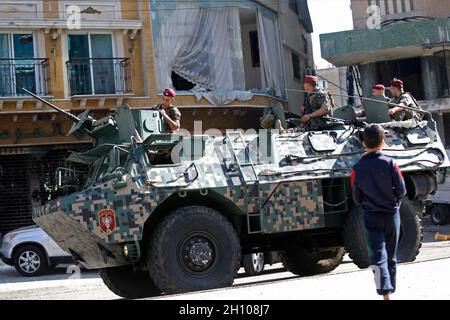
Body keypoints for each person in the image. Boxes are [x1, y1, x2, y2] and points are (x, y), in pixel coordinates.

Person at [351, 124, 407, 300]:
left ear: (364, 144)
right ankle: (389, 290)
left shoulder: (357, 168)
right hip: (391, 214)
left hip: (371, 216)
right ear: (382, 142)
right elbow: (402, 190)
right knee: (391, 256)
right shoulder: (391, 163)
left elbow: (356, 197)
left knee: (377, 256)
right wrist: (394, 202)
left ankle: (384, 292)